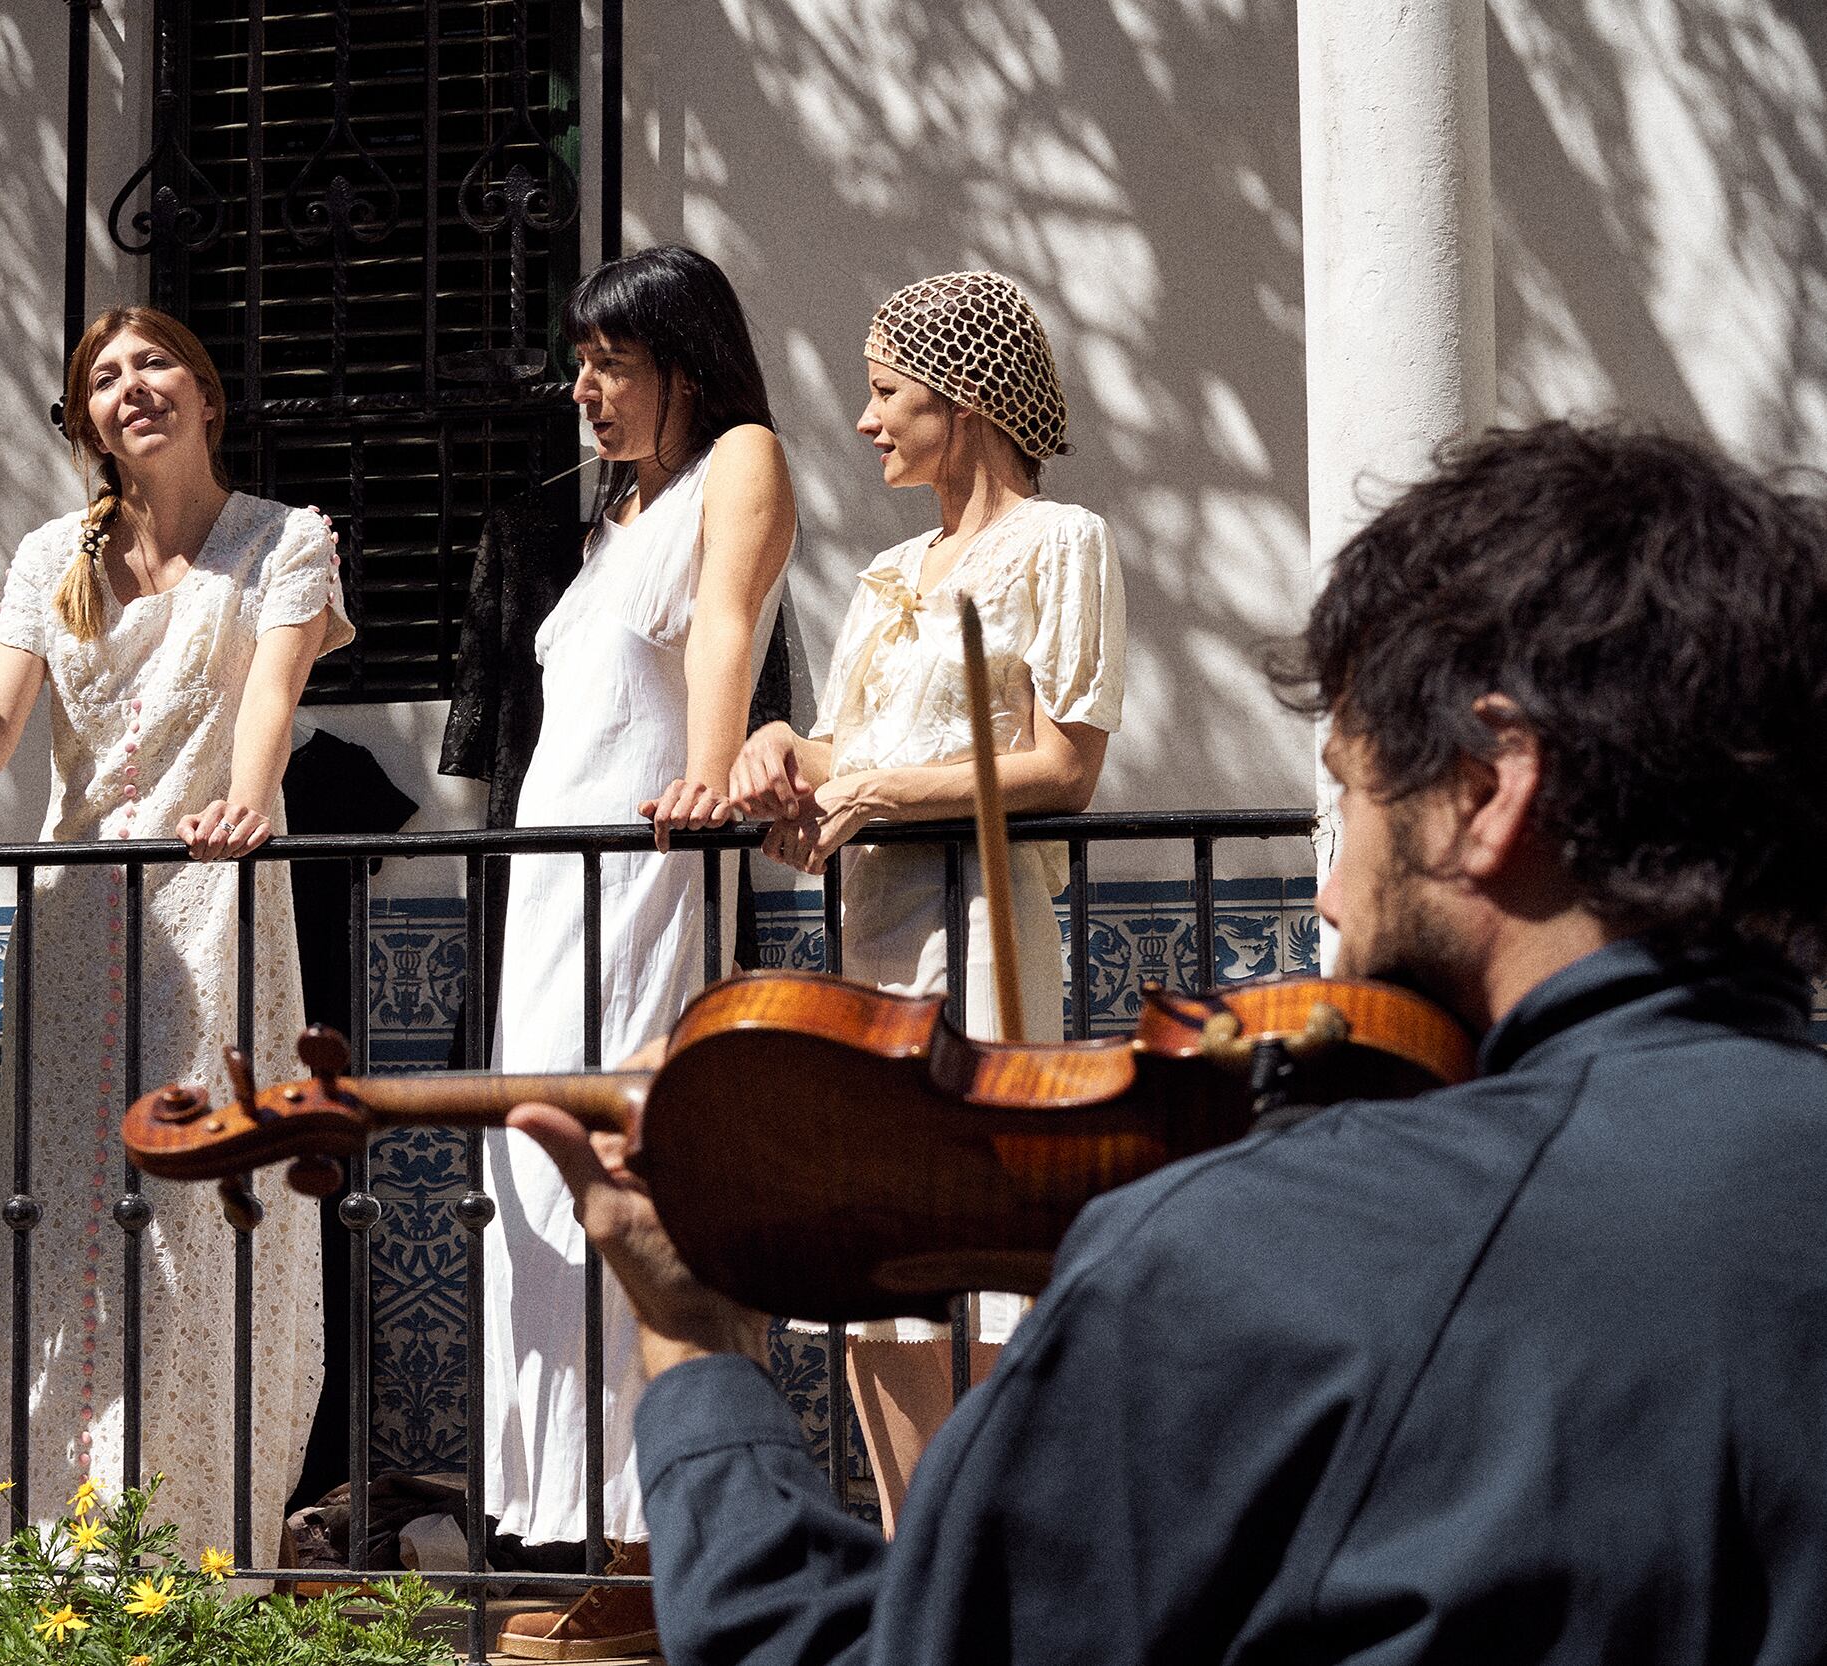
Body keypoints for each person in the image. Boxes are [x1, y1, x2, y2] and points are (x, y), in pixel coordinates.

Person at [512, 420, 1827, 1663]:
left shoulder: (1263, 1261)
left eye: (1355, 793)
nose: (1325, 890)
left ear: (1486, 793)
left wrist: (691, 1352)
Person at [0, 306, 345, 1563]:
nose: (132, 388)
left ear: (206, 391)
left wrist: (245, 796)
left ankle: (183, 1543)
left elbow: (271, 695)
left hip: (214, 898)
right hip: (77, 925)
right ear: (86, 422)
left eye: (154, 363)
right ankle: (49, 1542)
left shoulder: (283, 541)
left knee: (193, 1204)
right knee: (65, 1204)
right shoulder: (48, 555)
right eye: (104, 377)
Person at [728, 271, 1124, 1533]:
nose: (864, 420)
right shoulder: (893, 568)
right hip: (874, 933)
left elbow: (1064, 763)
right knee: (875, 1272)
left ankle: (1005, 1574)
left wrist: (889, 791)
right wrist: (782, 745)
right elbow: (852, 750)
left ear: (961, 400)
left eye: (887, 390)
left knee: (978, 1254)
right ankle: (919, 1569)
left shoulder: (1062, 544)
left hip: (986, 933)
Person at [484, 245, 797, 1661]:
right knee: (542, 1191)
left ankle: (656, 1548)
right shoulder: (622, 513)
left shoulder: (740, 458)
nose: (585, 386)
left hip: (643, 881)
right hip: (555, 893)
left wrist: (718, 778)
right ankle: (599, 1538)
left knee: (622, 1174)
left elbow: (728, 626)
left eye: (611, 359)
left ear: (684, 357)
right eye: (580, 359)